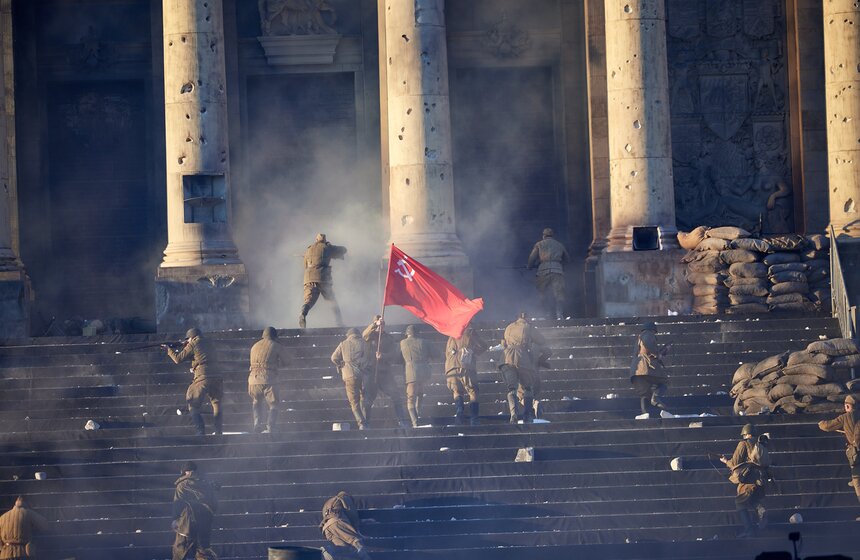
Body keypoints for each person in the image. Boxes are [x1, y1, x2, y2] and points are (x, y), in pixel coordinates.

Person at [166, 328, 224, 436]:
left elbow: (178, 359)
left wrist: (169, 350)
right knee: (216, 403)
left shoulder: (193, 343)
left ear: (191, 337)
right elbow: (202, 356)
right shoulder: (210, 342)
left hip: (203, 376)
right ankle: (218, 431)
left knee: (193, 404)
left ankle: (200, 431)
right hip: (217, 375)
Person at [719, 424, 770, 537]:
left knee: (740, 503)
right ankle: (760, 510)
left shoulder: (743, 444)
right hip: (761, 480)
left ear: (745, 433)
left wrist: (725, 461)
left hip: (749, 481)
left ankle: (749, 530)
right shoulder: (760, 444)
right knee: (752, 500)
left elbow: (735, 463)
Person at [499, 312, 549, 424]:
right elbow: (541, 340)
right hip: (522, 359)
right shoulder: (528, 327)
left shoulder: (509, 327)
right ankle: (528, 415)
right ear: (526, 318)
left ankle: (513, 415)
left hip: (506, 359)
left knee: (512, 389)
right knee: (527, 388)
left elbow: (503, 343)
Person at [362, 316, 410, 428]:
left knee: (396, 396)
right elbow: (365, 334)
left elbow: (394, 355)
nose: (381, 326)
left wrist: (383, 356)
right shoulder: (370, 336)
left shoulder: (389, 338)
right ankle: (366, 424)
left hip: (385, 373)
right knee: (368, 399)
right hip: (371, 371)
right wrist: (374, 324)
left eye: (383, 324)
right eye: (379, 324)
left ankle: (402, 421)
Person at [819, 394, 860, 518]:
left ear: (847, 406)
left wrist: (821, 423)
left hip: (856, 455)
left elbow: (828, 426)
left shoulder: (845, 418)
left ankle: (855, 480)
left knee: (858, 483)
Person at [172, 461, 219, 560]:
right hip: (204, 522)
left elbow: (178, 503)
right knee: (202, 550)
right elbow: (214, 504)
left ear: (186, 472)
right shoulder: (205, 484)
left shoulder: (182, 484)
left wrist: (175, 519)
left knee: (180, 549)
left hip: (187, 522)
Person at [300, 233, 347, 329]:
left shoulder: (308, 249)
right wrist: (329, 246)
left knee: (309, 300)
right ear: (324, 240)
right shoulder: (327, 247)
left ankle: (303, 313)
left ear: (316, 239)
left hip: (309, 279)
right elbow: (343, 250)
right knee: (332, 301)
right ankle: (339, 323)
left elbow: (305, 265)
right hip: (323, 278)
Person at [248, 326, 290, 433]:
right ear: (274, 336)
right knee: (273, 403)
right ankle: (271, 426)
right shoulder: (276, 345)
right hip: (268, 378)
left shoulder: (254, 346)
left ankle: (257, 424)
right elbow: (287, 361)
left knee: (256, 401)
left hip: (253, 379)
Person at [444, 324, 488, 426]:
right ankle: (474, 418)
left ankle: (459, 412)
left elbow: (447, 353)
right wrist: (474, 351)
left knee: (457, 391)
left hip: (450, 368)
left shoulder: (451, 334)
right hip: (465, 365)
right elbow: (483, 346)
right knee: (473, 390)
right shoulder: (470, 331)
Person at [331, 328, 373, 430]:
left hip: (349, 375)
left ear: (348, 335)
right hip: (364, 375)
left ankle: (362, 423)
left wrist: (341, 365)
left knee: (354, 401)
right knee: (365, 398)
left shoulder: (343, 343)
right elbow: (371, 357)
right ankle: (367, 421)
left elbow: (333, 358)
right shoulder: (365, 343)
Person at [527, 228, 571, 320]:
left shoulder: (539, 244)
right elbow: (567, 259)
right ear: (552, 235)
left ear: (543, 236)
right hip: (557, 271)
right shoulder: (559, 245)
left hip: (543, 270)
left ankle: (544, 315)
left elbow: (532, 258)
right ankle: (559, 315)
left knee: (542, 294)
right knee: (559, 294)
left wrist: (529, 266)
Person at [629, 322, 669, 418]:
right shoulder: (647, 334)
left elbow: (646, 351)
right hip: (645, 368)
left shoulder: (639, 338)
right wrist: (657, 354)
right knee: (663, 382)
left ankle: (645, 414)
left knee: (645, 394)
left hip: (636, 372)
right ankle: (655, 398)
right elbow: (649, 345)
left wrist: (663, 351)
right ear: (652, 330)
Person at [320, 491, 372, 560]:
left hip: (326, 528)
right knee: (356, 541)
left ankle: (329, 550)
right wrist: (357, 527)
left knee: (344, 548)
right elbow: (352, 514)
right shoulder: (344, 498)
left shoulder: (327, 503)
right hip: (337, 522)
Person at [400, 325, 431, 428]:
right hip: (423, 373)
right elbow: (438, 354)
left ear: (407, 333)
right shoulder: (424, 342)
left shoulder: (403, 343)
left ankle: (415, 422)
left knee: (410, 398)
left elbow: (396, 357)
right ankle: (418, 416)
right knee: (420, 394)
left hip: (411, 373)